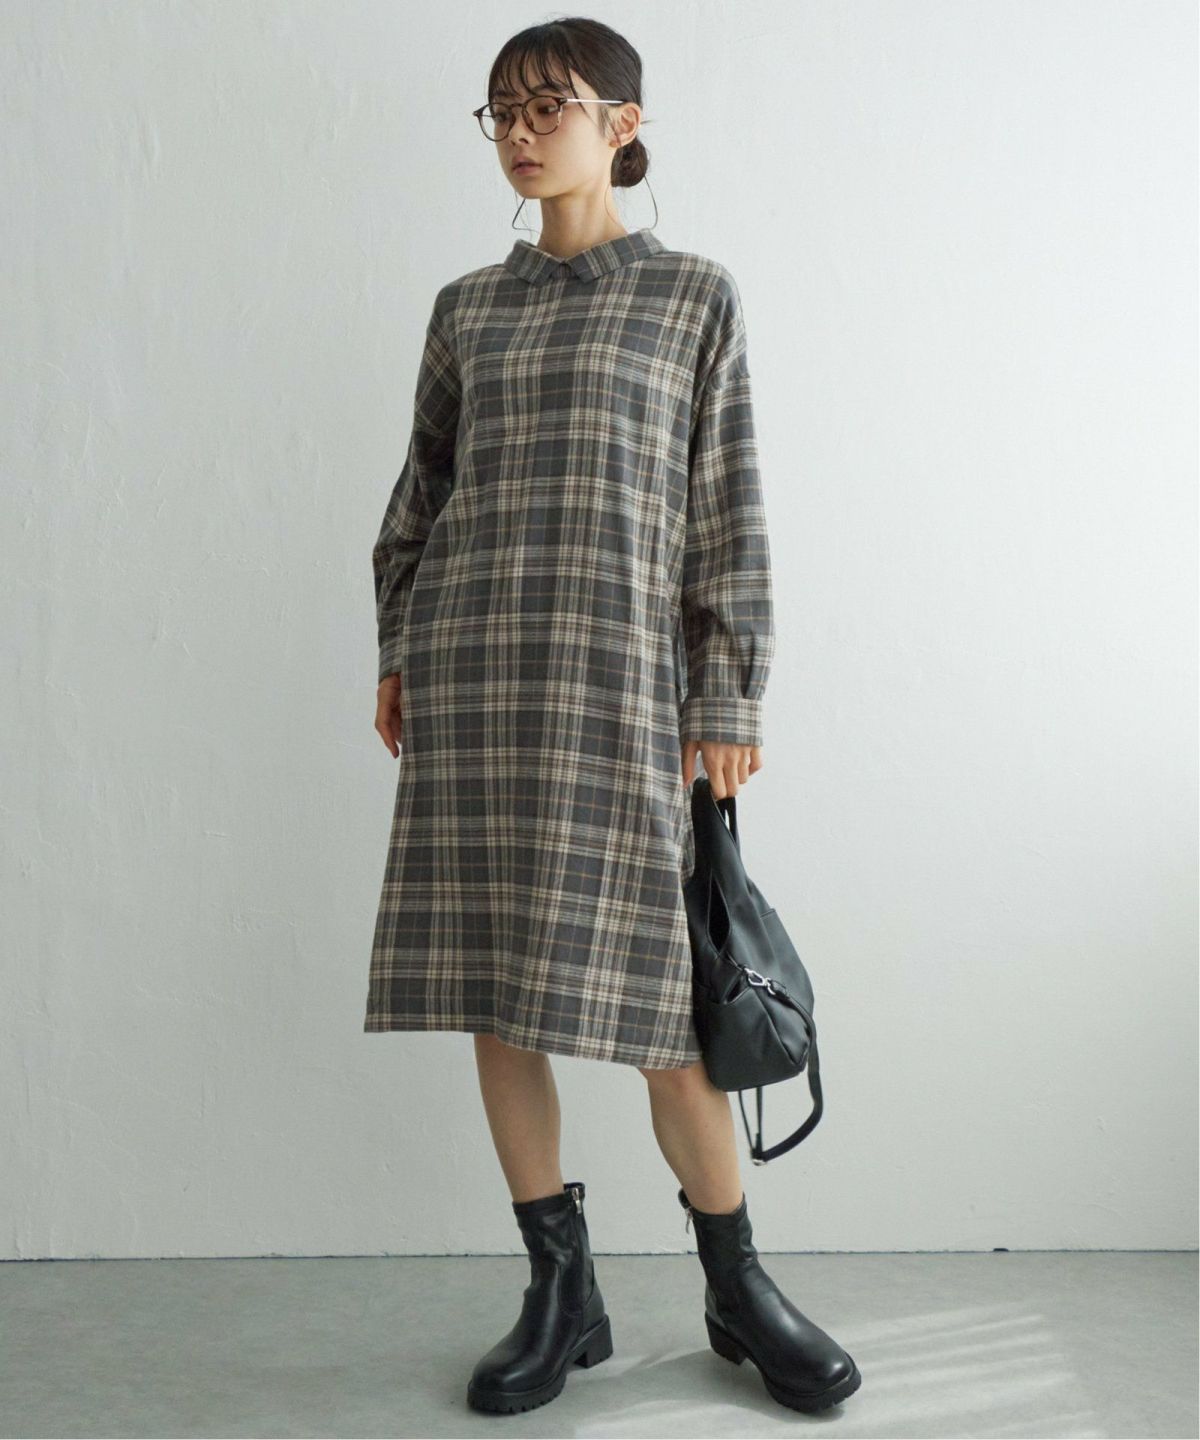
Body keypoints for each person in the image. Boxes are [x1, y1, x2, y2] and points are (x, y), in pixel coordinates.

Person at [365, 15, 861, 1419]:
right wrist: (400, 644)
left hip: (627, 694)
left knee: (666, 1016)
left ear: (622, 124)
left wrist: (729, 686)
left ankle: (737, 1287)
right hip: (475, 683)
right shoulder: (467, 309)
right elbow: (420, 497)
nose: (523, 135)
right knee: (494, 988)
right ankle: (559, 1287)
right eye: (503, 114)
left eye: (552, 109)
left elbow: (728, 507)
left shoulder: (694, 296)